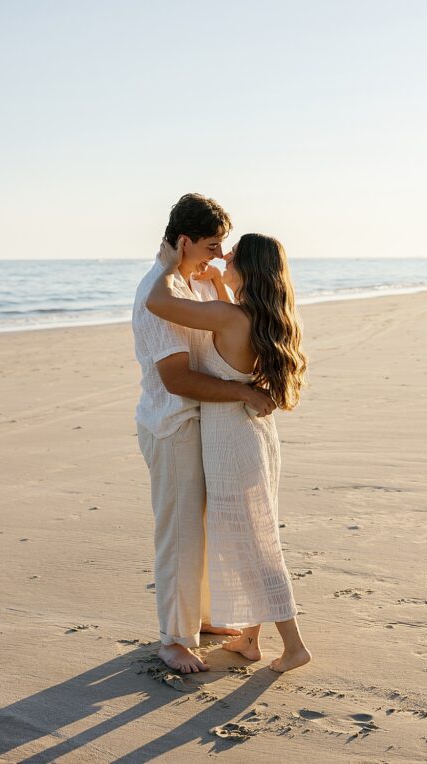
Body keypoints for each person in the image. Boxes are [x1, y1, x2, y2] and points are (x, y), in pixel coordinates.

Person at [146, 232, 312, 673]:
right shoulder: (258, 316)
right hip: (253, 436)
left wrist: (169, 264)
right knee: (246, 533)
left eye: (232, 255)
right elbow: (225, 316)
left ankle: (294, 646)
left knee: (255, 543)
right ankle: (251, 640)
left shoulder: (227, 316)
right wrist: (221, 281)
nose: (224, 256)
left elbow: (158, 303)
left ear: (250, 270)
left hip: (231, 441)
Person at [132, 193, 276, 674]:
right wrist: (243, 395)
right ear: (185, 241)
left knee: (206, 526)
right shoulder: (158, 292)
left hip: (199, 421)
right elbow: (177, 378)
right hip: (171, 423)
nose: (219, 254)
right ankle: (174, 638)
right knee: (179, 532)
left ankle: (205, 619)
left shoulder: (185, 285)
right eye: (213, 245)